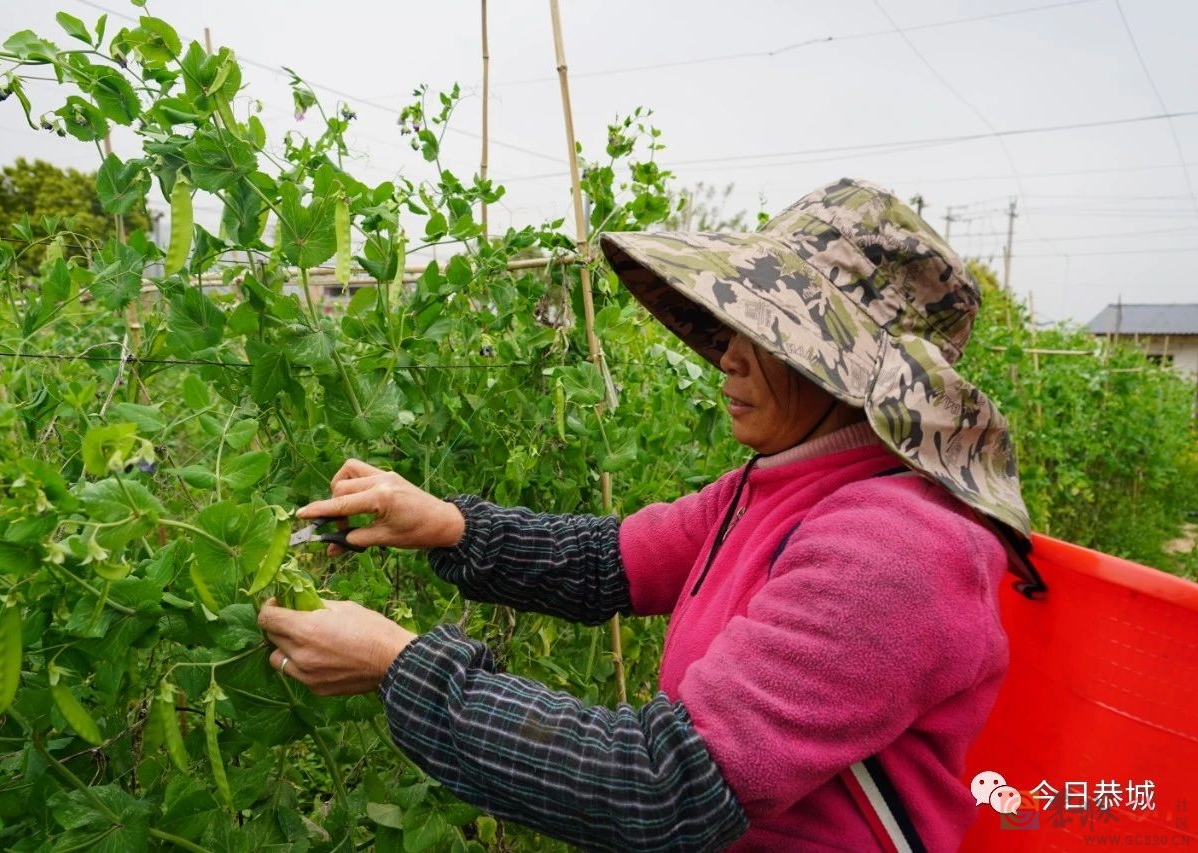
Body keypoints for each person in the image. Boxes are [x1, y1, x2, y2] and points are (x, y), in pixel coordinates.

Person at [257, 178, 1041, 851]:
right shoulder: (783, 485)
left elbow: (664, 784)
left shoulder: (895, 549)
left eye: (768, 333)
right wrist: (446, 523)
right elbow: (611, 560)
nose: (728, 354)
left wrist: (400, 667)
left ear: (843, 369)